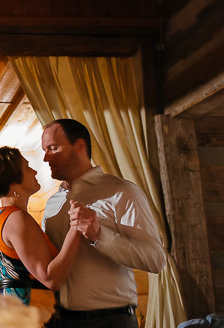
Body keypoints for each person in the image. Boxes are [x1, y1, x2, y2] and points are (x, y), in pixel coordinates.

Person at [41, 118, 166, 327]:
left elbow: (155, 259)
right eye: (45, 150)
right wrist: (8, 228)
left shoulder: (122, 191)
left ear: (79, 146)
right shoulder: (53, 202)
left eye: (53, 148)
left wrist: (100, 235)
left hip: (112, 321)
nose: (45, 158)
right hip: (63, 321)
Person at [0, 146, 82, 305]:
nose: (34, 171)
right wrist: (76, 228)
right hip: (28, 316)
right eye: (27, 167)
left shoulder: (3, 217)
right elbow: (51, 280)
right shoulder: (17, 219)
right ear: (13, 181)